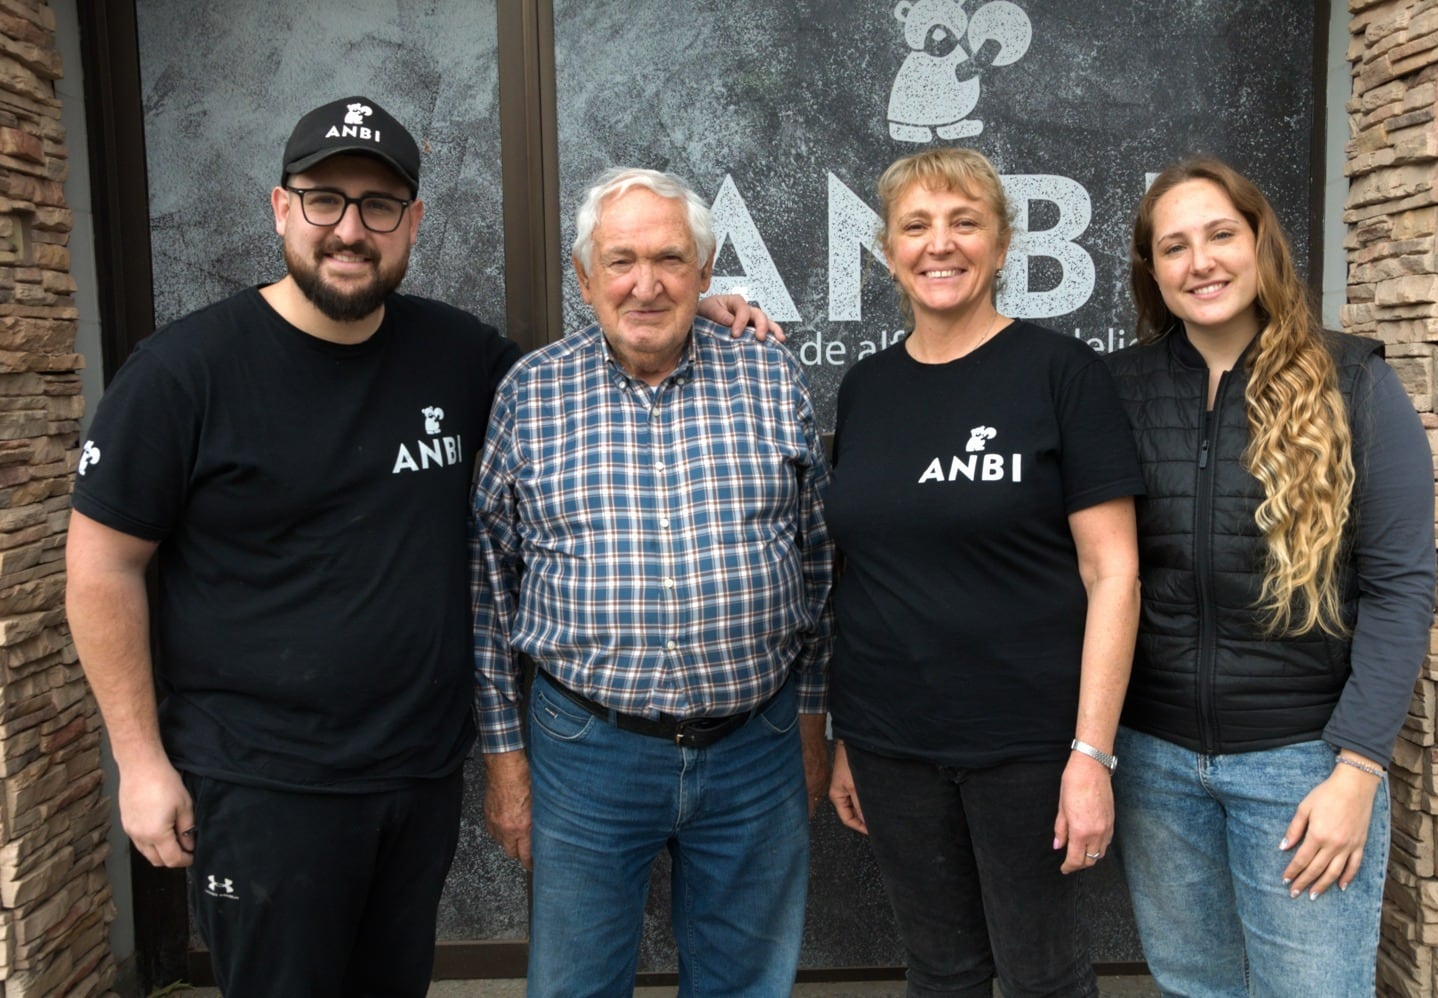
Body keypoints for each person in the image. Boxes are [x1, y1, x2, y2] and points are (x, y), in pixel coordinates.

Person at [64, 97, 773, 997]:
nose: (350, 229)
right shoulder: (182, 374)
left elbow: (591, 376)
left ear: (414, 223)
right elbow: (100, 567)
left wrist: (683, 305)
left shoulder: (460, 357)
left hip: (415, 776)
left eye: (379, 205)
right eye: (325, 200)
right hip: (264, 785)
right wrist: (139, 761)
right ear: (281, 209)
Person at [471, 165, 834, 997]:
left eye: (670, 259)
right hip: (586, 751)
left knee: (745, 983)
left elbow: (818, 563)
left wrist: (811, 720)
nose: (646, 283)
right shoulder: (530, 394)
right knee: (576, 985)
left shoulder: (770, 376)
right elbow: (488, 593)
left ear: (706, 274)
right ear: (584, 276)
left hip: (756, 746)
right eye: (621, 259)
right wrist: (504, 760)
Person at [1105, 155, 1436, 997]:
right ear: (1153, 271)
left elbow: (1401, 587)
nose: (1201, 261)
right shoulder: (1118, 391)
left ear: (1261, 244)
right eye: (1174, 246)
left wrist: (1358, 770)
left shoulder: (1352, 379)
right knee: (1195, 989)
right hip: (1155, 765)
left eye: (1221, 234)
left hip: (1303, 769)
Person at [824, 147, 1143, 998]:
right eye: (917, 225)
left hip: (1029, 747)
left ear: (1002, 247)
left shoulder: (1061, 374)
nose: (941, 244)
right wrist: (849, 737)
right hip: (892, 743)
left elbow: (1114, 574)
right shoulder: (866, 389)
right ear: (888, 249)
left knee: (1042, 976)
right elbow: (863, 571)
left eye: (965, 223)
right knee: (941, 971)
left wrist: (1091, 755)